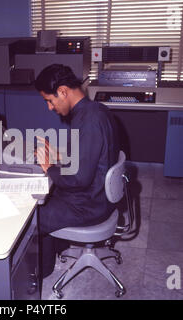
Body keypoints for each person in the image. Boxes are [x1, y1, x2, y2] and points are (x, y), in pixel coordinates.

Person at [34, 64, 119, 277]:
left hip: (89, 205)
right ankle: (59, 247)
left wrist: (49, 167)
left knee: (30, 219)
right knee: (47, 197)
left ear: (63, 91)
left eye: (49, 101)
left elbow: (79, 178)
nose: (50, 108)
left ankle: (40, 273)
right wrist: (59, 154)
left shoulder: (88, 120)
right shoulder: (95, 110)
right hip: (98, 196)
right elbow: (93, 155)